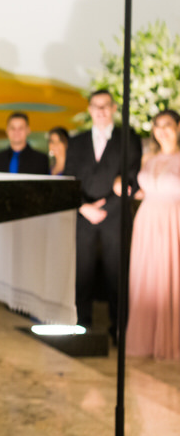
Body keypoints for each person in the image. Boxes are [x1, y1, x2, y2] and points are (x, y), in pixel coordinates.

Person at [64, 89, 141, 339]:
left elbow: (132, 178)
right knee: (81, 273)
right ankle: (81, 326)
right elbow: (69, 178)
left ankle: (119, 330)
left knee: (116, 275)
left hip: (116, 217)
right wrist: (83, 207)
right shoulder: (76, 142)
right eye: (96, 106)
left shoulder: (128, 138)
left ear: (114, 108)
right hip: (83, 217)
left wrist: (105, 208)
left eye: (106, 105)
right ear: (89, 110)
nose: (101, 110)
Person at [125, 109, 180, 360]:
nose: (162, 130)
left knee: (171, 277)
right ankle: (145, 339)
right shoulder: (148, 158)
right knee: (146, 279)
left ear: (177, 127)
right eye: (157, 125)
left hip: (173, 220)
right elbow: (144, 189)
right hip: (146, 221)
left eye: (167, 125)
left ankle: (170, 340)